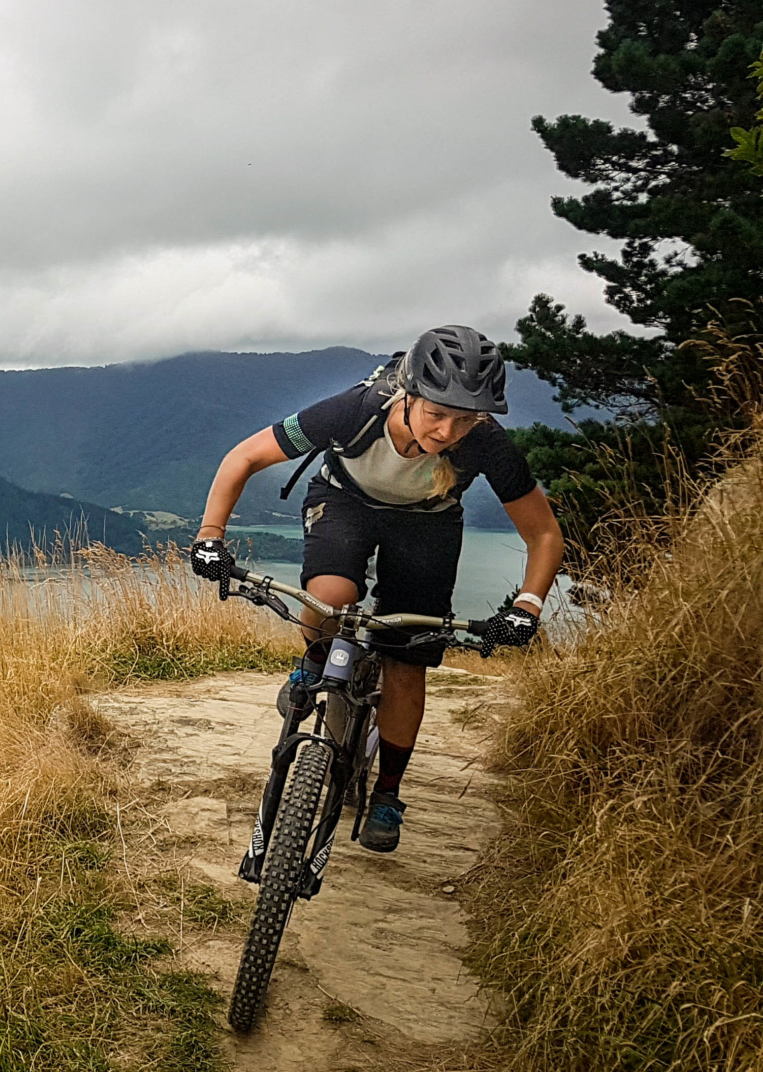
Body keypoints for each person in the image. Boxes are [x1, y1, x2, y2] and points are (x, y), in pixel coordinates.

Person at [186, 325, 565, 853]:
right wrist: (210, 537)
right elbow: (244, 456)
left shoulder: (486, 442)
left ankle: (387, 792)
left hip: (428, 522)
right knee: (329, 597)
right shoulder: (356, 410)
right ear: (408, 395)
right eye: (437, 413)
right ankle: (316, 660)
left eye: (466, 419)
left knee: (405, 662)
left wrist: (528, 605)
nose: (448, 431)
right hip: (345, 501)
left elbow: (543, 534)